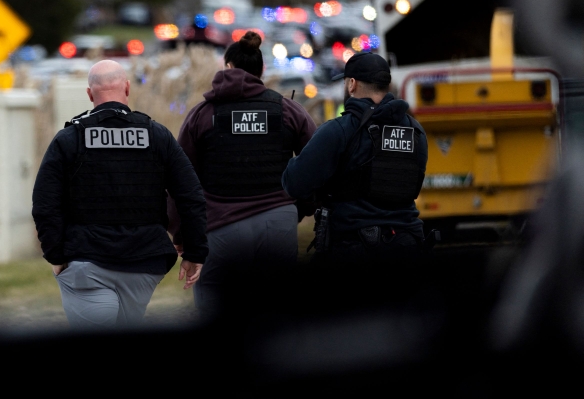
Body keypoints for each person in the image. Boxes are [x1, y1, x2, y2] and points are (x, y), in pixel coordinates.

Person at [32, 60, 208, 329]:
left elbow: (45, 204)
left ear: (90, 94)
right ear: (127, 88)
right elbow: (190, 196)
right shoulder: (157, 135)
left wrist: (56, 256)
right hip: (145, 263)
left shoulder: (70, 139)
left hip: (86, 263)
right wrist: (195, 251)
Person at [174, 31, 316, 313]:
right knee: (277, 315)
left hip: (218, 229)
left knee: (215, 311)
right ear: (261, 71)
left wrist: (182, 237)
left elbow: (180, 181)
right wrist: (300, 208)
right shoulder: (288, 110)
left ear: (227, 67)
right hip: (277, 224)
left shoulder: (201, 115)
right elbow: (316, 163)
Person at [282, 52, 428, 258]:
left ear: (352, 84)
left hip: (352, 249)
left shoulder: (338, 130)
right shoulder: (416, 131)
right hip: (408, 246)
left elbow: (294, 183)